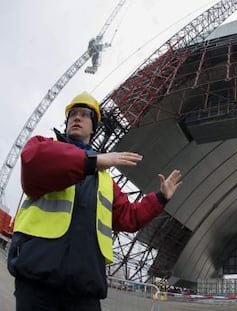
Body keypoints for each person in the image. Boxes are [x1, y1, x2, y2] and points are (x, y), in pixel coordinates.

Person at [7, 91, 182, 310]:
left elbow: (130, 218)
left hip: (84, 290)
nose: (77, 118)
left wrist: (160, 197)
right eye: (73, 115)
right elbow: (33, 163)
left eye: (84, 115)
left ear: (93, 127)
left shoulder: (105, 181)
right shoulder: (44, 146)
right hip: (37, 280)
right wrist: (93, 161)